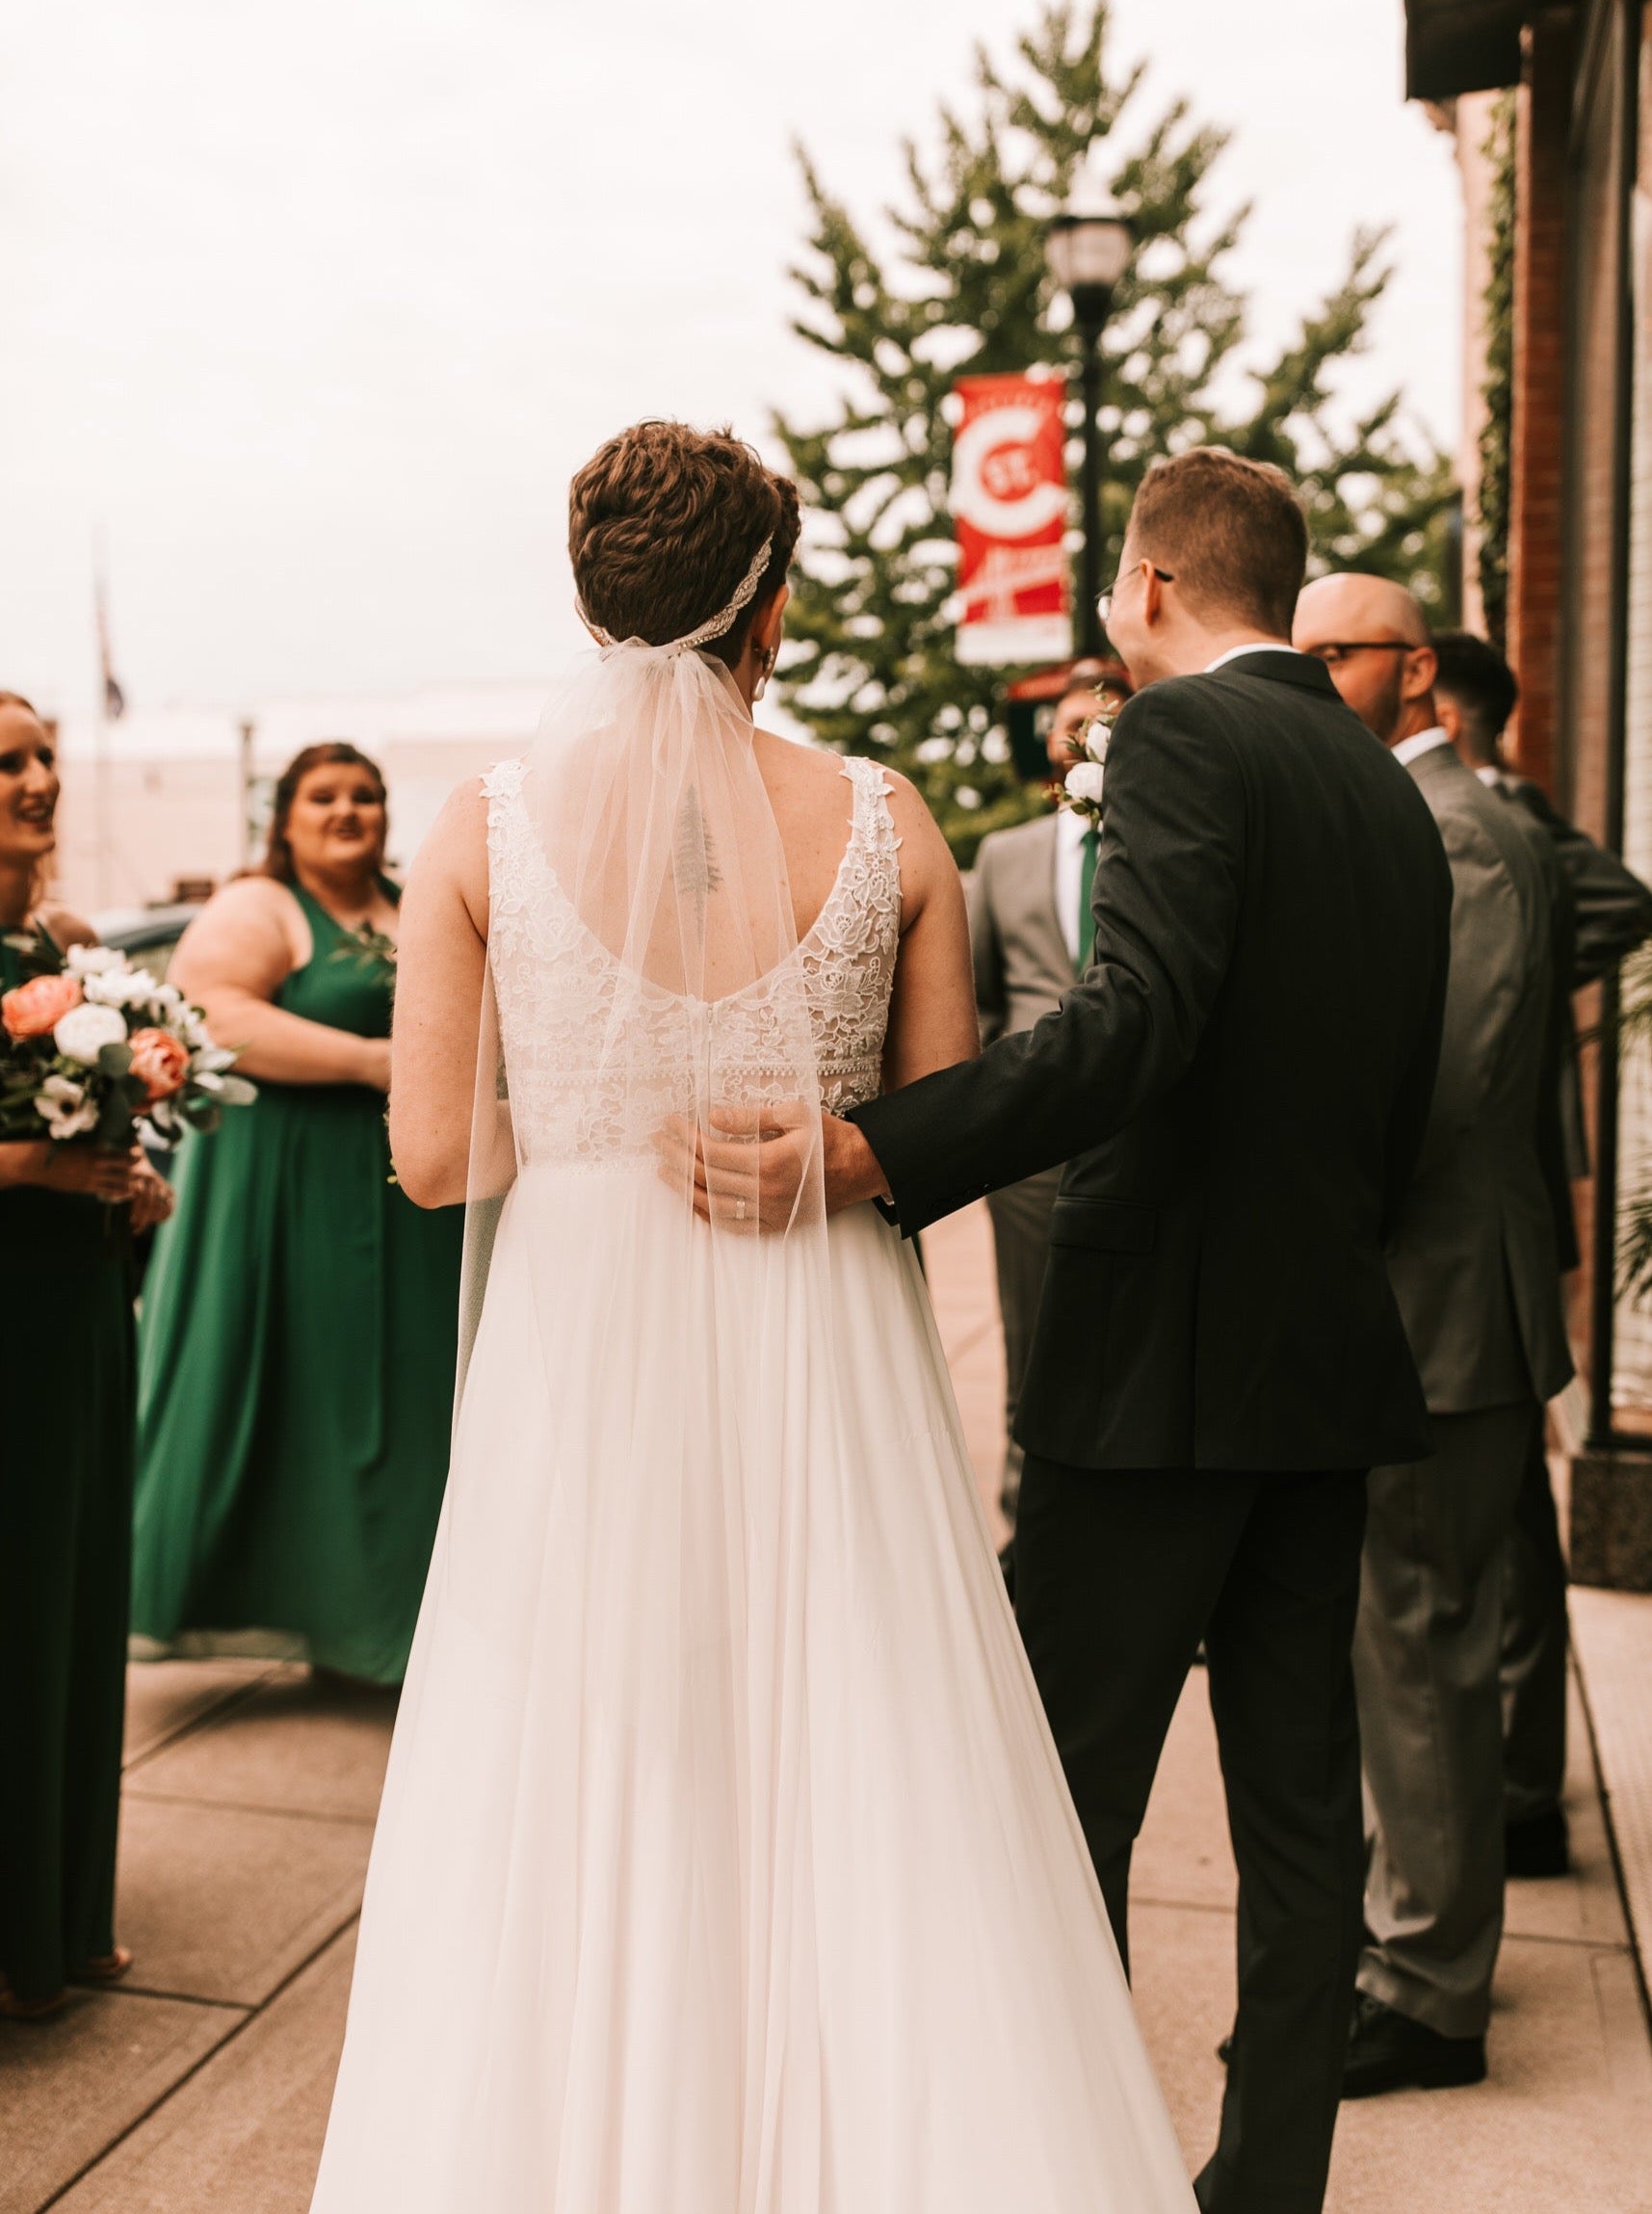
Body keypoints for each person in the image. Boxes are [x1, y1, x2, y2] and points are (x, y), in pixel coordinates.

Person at [307, 423, 1197, 2214]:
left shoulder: (479, 830)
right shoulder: (885, 817)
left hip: (580, 1342)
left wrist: (581, 1122)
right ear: (769, 611)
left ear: (590, 601)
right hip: (824, 1338)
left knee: (587, 1758)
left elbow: (421, 1155)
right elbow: (935, 1122)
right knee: (861, 1738)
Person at [699, 450, 1453, 2214]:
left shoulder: (1181, 735)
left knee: (1055, 1797)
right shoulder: (1382, 783)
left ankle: (1058, 2165)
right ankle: (1268, 2184)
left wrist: (883, 1143)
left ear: (1154, 588)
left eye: (1115, 590)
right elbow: (1396, 1106)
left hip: (1159, 1374)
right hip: (1322, 1361)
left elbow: (1140, 1019)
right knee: (1294, 1809)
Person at [1293, 577, 1571, 2095]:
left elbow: (1437, 1094)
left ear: (1410, 669)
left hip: (1437, 1298)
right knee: (1405, 1637)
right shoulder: (1421, 812)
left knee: (1422, 1642)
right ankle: (1419, 1942)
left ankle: (1426, 1989)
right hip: (1433, 1292)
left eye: (1328, 650)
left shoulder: (1452, 828)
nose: (1306, 672)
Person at [131, 744, 463, 1687]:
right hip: (284, 1184)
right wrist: (369, 1062)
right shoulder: (259, 905)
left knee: (406, 1393)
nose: (347, 811)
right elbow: (209, 1009)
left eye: (366, 795)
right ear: (284, 817)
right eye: (324, 796)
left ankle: (388, 1627)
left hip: (408, 1189)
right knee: (310, 1389)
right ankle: (310, 1614)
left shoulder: (411, 907)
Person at [1434, 628, 1652, 1878]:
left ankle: (1519, 1786)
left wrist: (1517, 969)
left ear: (1448, 711)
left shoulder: (1492, 809)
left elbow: (1625, 901)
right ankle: (1518, 1784)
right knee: (1501, 1509)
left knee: (1496, 1521)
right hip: (1498, 1204)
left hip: (1485, 1203)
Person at [0, 692, 171, 2018]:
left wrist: (127, 1183)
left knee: (68, 1591)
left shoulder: (68, 945)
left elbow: (96, 1128)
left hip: (68, 1308)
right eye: (10, 762)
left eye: (47, 755)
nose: (40, 778)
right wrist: (46, 1162)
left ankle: (60, 1916)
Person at [972, 663, 1132, 1523]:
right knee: (1028, 1331)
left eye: (1102, 721)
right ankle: (1023, 1521)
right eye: (1070, 722)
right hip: (1031, 1146)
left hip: (1141, 1125)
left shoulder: (1155, 842)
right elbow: (981, 993)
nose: (1081, 735)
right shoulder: (1004, 856)